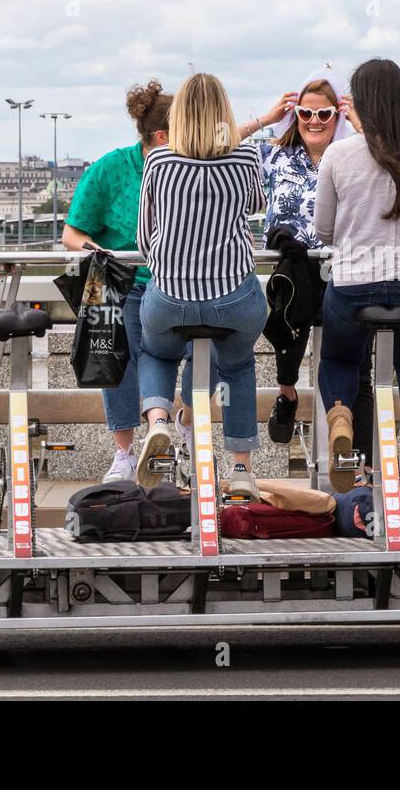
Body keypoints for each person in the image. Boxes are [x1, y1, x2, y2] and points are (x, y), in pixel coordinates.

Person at [314, 58, 400, 498]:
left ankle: (340, 420)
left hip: (353, 284)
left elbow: (324, 230)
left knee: (339, 360)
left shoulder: (338, 154)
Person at [135, 73, 270, 499]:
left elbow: (143, 239)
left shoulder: (158, 161)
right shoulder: (245, 157)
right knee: (237, 366)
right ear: (223, 116)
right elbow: (258, 205)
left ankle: (158, 422)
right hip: (232, 298)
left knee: (156, 352)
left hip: (170, 298)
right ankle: (241, 466)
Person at [256, 69, 375, 451]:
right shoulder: (275, 155)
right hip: (293, 266)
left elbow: (397, 162)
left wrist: (362, 126)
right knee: (288, 321)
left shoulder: (356, 156)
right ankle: (288, 394)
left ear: (337, 117)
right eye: (305, 114)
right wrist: (265, 119)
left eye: (324, 114)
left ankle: (361, 465)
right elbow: (211, 147)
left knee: (359, 368)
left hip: (343, 264)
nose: (314, 122)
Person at [61, 80, 172, 483]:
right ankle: (123, 453)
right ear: (161, 136)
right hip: (121, 283)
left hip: (172, 284)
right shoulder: (110, 169)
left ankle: (184, 439)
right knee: (116, 359)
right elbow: (71, 233)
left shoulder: (188, 167)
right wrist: (100, 253)